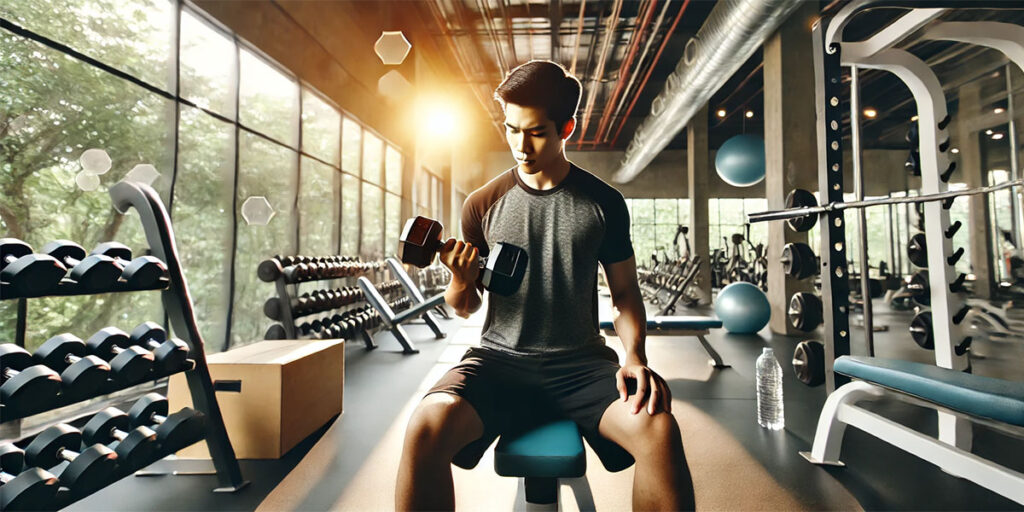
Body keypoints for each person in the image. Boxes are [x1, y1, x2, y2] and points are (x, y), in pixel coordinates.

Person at [395, 60, 695, 511]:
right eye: (511, 129)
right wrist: (460, 275)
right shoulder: (481, 204)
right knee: (425, 426)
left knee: (659, 429)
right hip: (499, 361)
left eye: (535, 132)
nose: (520, 144)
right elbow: (463, 306)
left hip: (582, 364)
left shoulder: (604, 203)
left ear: (566, 128)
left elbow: (626, 295)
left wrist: (635, 357)